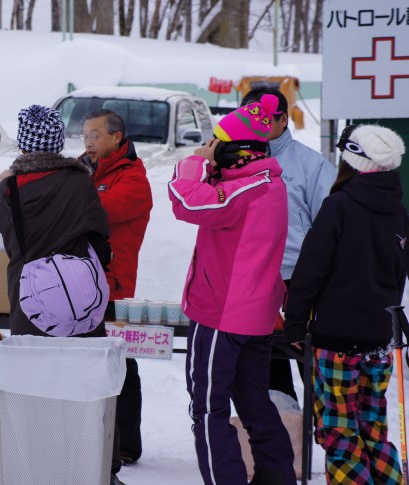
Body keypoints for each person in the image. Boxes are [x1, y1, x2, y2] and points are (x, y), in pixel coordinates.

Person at [168, 94, 296, 485]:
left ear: (236, 151)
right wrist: (213, 166)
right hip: (253, 317)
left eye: (218, 145)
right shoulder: (264, 183)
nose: (213, 151)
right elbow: (216, 197)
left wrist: (195, 163)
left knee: (209, 410)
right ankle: (276, 477)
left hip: (222, 317)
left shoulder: (250, 190)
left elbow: (184, 200)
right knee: (255, 402)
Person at [283, 124, 407, 485]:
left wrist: (295, 323)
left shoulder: (340, 205)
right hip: (380, 338)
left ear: (352, 161)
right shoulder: (397, 211)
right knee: (372, 427)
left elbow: (310, 270)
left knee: (339, 431)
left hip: (336, 339)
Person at [240, 88, 336, 402]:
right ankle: (282, 434)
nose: (257, 125)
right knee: (264, 363)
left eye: (266, 119)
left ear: (283, 120)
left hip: (298, 279)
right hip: (252, 279)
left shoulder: (311, 164)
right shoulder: (232, 161)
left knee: (310, 360)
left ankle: (325, 430)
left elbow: (331, 224)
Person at [79, 109, 153, 480]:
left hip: (112, 285)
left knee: (117, 361)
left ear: (116, 137)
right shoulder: (84, 172)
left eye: (94, 135)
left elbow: (101, 211)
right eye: (84, 135)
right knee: (94, 357)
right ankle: (97, 434)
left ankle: (126, 442)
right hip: (79, 283)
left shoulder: (133, 178)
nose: (88, 142)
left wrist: (68, 194)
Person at [0, 104, 110, 337]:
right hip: (81, 299)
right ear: (58, 144)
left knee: (33, 368)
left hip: (30, 301)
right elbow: (100, 236)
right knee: (80, 369)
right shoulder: (80, 182)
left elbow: (7, 239)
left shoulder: (10, 189)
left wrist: (3, 186)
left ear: (23, 145)